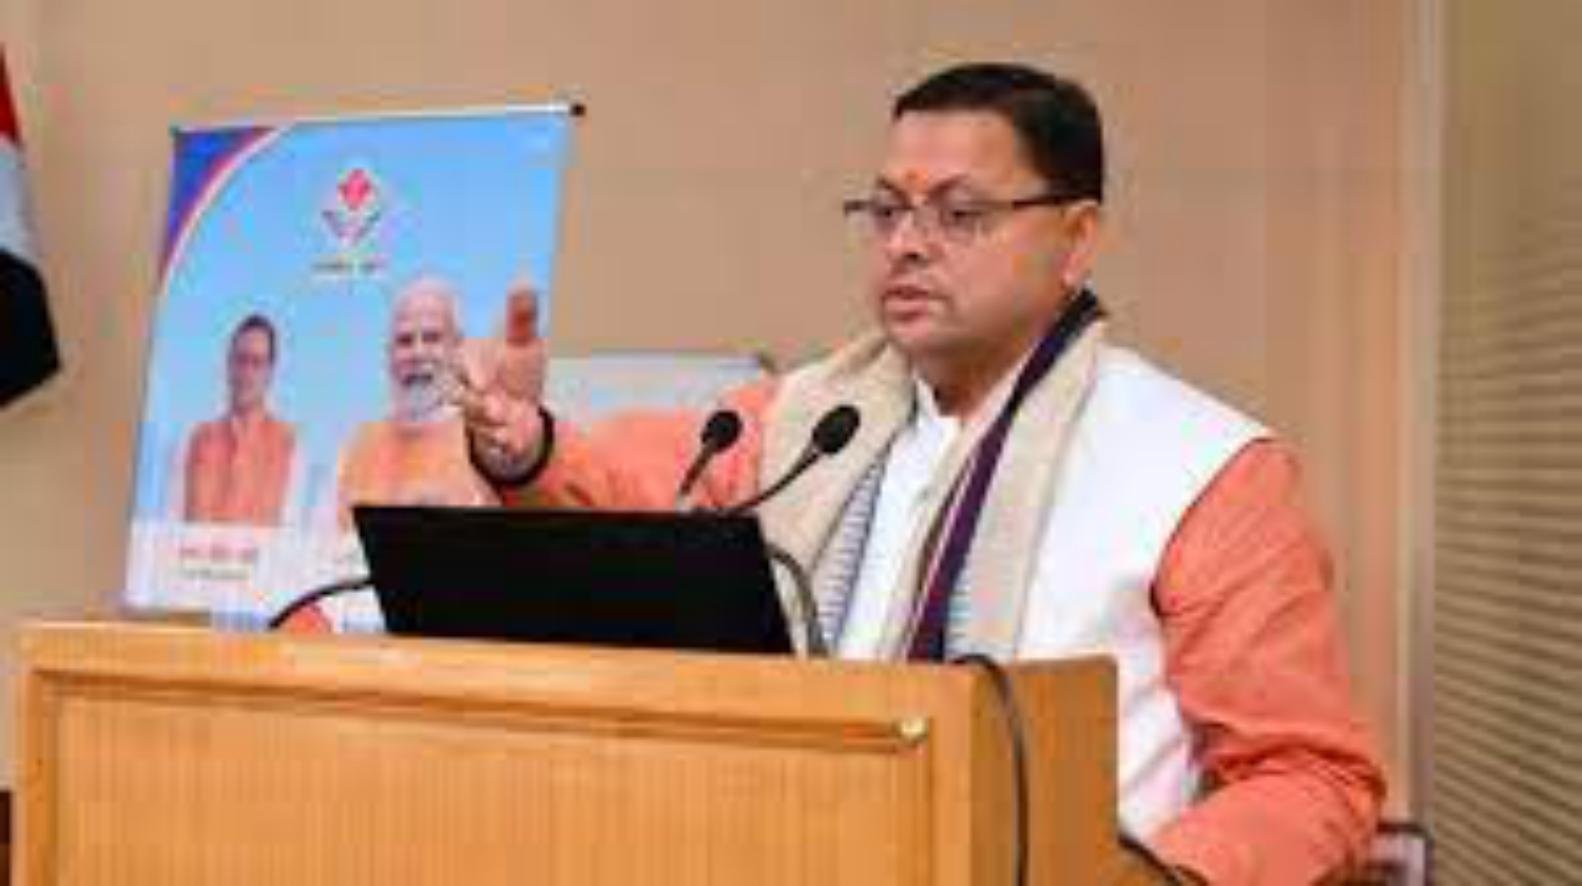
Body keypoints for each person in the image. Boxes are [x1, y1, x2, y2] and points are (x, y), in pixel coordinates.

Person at [458, 63, 1384, 884]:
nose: (906, 242)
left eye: (959, 214)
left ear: (1077, 237)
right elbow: (637, 484)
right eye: (887, 210)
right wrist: (525, 444)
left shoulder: (1201, 467)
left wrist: (1156, 880)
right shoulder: (812, 419)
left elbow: (1308, 778)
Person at [335, 276, 495, 528]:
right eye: (405, 341)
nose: (417, 354)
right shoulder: (358, 444)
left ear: (458, 348)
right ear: (388, 354)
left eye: (431, 338)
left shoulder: (487, 442)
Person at [182, 313, 297, 525]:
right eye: (240, 360)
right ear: (228, 364)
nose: (246, 372)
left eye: (256, 363)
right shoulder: (200, 440)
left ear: (270, 372)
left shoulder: (288, 445)